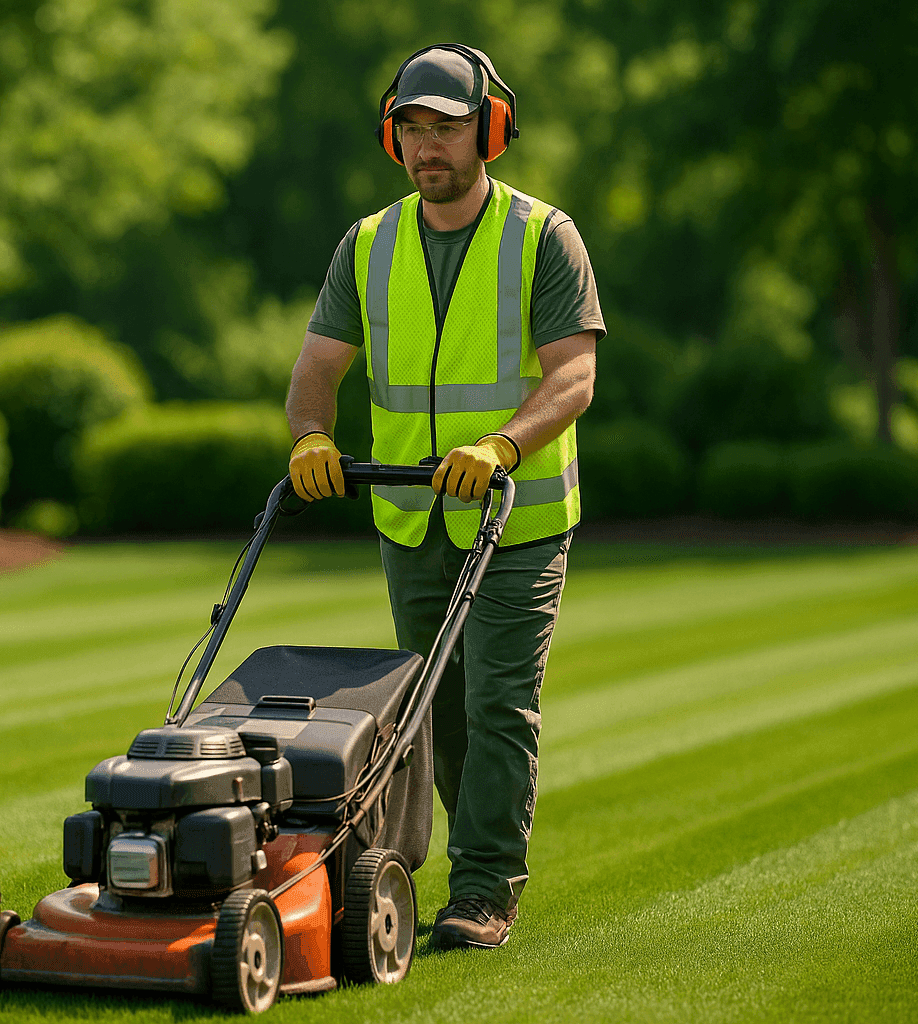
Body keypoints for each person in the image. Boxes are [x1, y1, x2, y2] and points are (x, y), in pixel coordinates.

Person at [283, 43, 604, 950]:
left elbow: (573, 377)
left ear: (489, 131)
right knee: (431, 707)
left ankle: (485, 888)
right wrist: (311, 435)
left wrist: (501, 444)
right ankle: (442, 861)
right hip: (411, 516)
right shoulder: (369, 244)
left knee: (498, 700)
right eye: (413, 128)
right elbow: (316, 367)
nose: (430, 146)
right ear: (395, 139)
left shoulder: (546, 238)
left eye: (448, 127)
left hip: (519, 516)